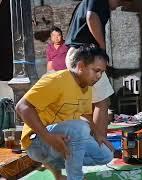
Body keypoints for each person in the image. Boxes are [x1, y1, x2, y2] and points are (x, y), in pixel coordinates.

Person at [16, 46, 114, 180]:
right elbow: (21, 107)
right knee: (80, 128)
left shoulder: (87, 87)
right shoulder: (56, 80)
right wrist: (48, 137)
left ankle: (56, 165)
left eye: (102, 72)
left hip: (62, 140)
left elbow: (84, 114)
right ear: (80, 66)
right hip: (37, 142)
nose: (99, 76)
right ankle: (75, 177)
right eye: (96, 71)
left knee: (106, 155)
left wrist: (98, 134)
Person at [65, 0, 131, 136]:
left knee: (88, 105)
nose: (118, 6)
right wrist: (102, 49)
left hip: (78, 54)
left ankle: (90, 143)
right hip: (84, 55)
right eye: (119, 3)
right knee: (102, 102)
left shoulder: (87, 3)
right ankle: (99, 147)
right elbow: (91, 17)